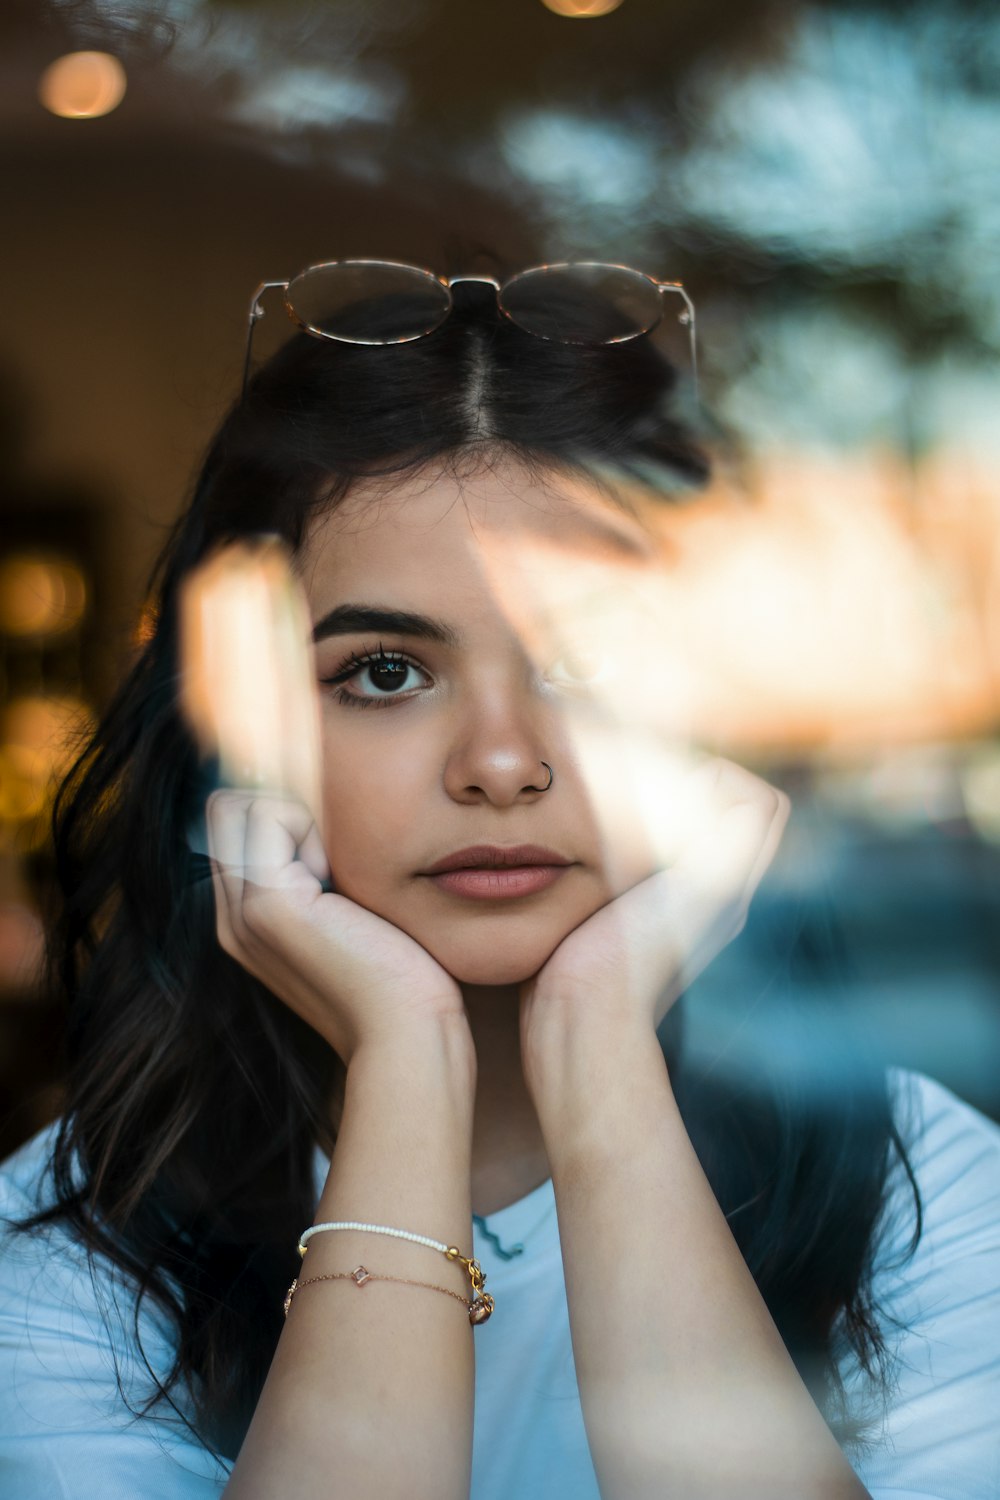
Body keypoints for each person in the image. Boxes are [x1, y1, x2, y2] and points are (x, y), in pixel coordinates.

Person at [1, 262, 998, 1500]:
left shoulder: (921, 1188)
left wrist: (598, 1045)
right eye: (382, 673)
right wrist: (407, 1064)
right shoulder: (83, 1246)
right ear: (245, 736)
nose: (500, 762)